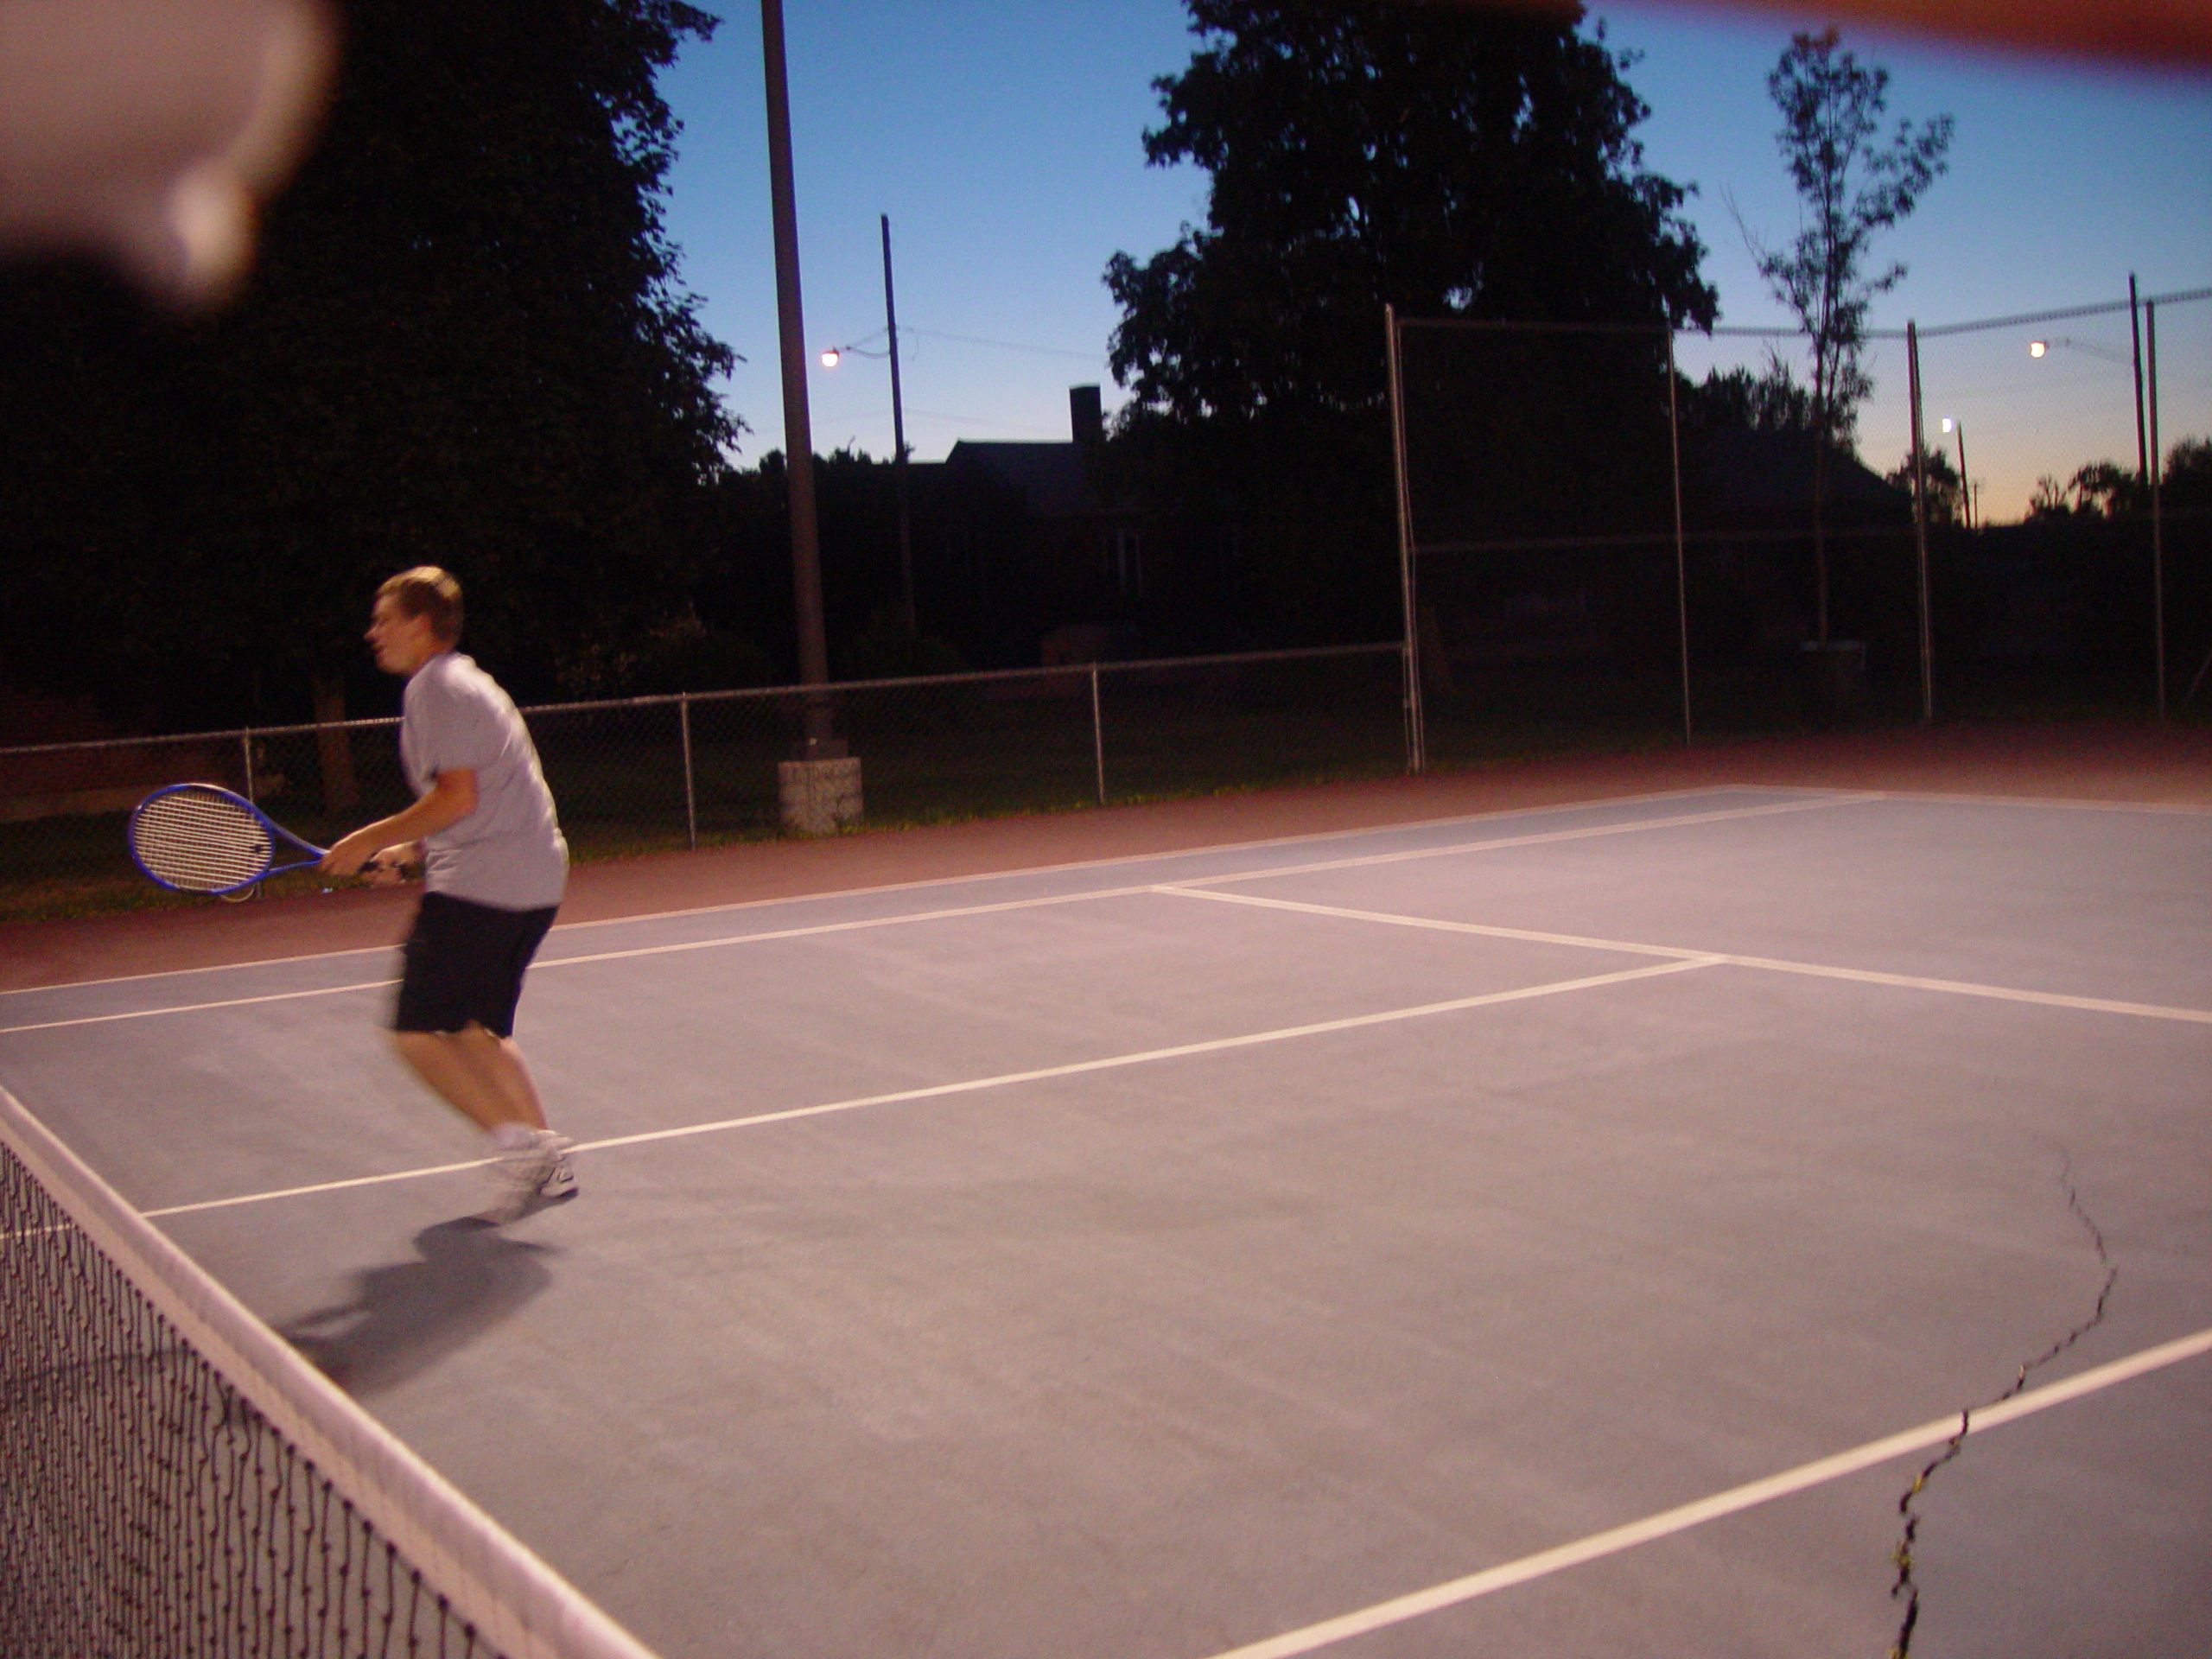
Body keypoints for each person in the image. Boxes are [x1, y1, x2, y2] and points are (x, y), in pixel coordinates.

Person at [320, 567, 575, 1223]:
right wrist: (412, 849)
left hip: (487, 886)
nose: (373, 632)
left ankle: (519, 1146)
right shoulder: (466, 682)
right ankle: (546, 1161)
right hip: (532, 875)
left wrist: (363, 839)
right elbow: (483, 799)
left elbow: (458, 795)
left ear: (420, 623)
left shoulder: (435, 688)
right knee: (475, 1027)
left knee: (415, 1031)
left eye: (385, 619)